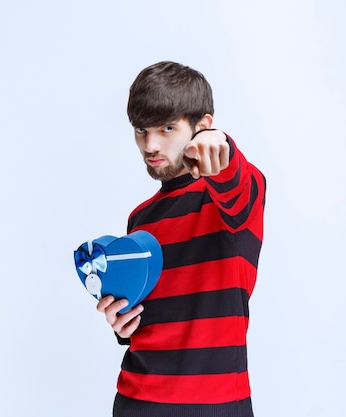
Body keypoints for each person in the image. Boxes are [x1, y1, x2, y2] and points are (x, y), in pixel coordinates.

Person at [96, 61, 266, 417]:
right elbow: (147, 318)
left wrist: (220, 145)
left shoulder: (233, 196)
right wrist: (122, 325)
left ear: (201, 126)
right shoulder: (140, 218)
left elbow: (235, 179)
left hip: (213, 405)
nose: (150, 144)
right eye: (141, 130)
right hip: (135, 400)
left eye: (167, 128)